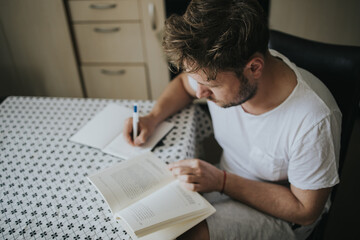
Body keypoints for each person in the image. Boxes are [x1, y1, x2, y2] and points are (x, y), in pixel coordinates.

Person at [123, 0, 341, 239]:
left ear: (254, 68)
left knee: (182, 235)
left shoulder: (314, 120)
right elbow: (185, 86)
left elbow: (306, 211)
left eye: (210, 87)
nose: (200, 94)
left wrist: (222, 181)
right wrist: (153, 117)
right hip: (224, 181)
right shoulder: (217, 69)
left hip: (281, 214)